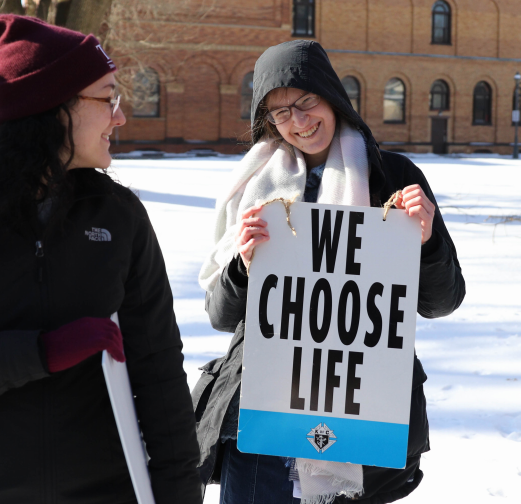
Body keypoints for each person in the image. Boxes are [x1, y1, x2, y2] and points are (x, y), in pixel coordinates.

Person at [0, 13, 202, 504]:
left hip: (108, 492)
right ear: (54, 106)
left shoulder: (119, 215)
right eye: (107, 98)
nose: (120, 115)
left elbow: (158, 369)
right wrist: (38, 353)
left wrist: (179, 493)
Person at [193, 40, 466, 504]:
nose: (298, 121)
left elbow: (442, 300)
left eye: (306, 102)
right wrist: (242, 267)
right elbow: (220, 315)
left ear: (331, 96)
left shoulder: (391, 177)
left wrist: (427, 240)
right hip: (262, 411)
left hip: (360, 406)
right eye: (280, 113)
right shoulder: (252, 189)